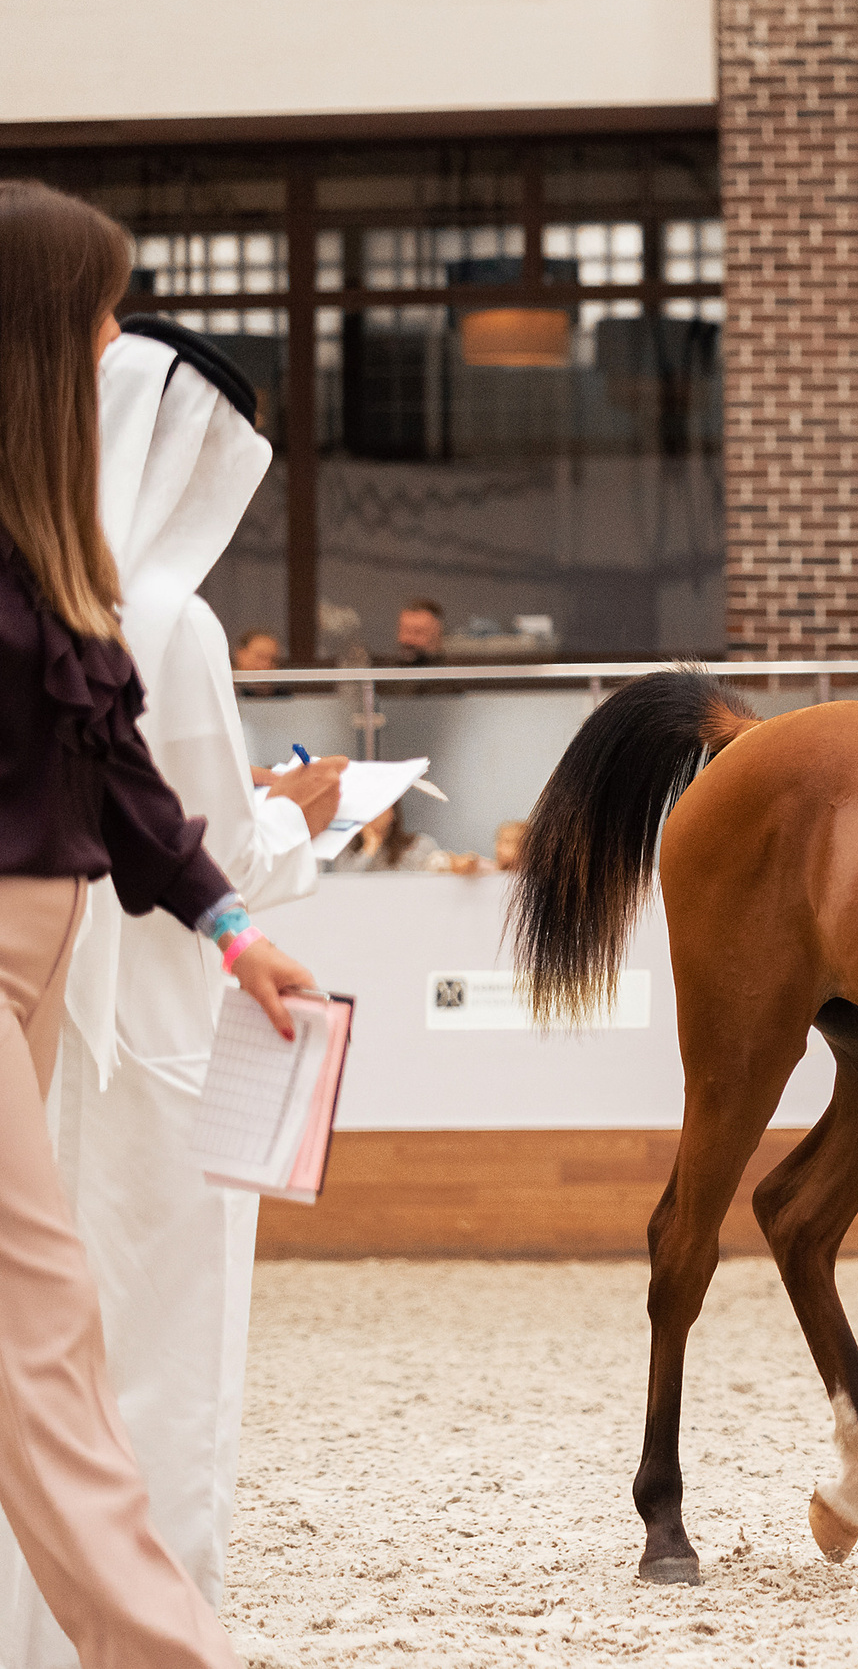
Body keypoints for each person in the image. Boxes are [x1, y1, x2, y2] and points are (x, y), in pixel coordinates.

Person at [0, 175, 319, 1669]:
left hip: (64, 986)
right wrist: (274, 862)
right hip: (79, 1016)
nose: (114, 341)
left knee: (50, 1338)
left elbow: (127, 791)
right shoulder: (143, 609)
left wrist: (240, 933)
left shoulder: (64, 582)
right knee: (82, 1342)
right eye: (98, 315)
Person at [330, 801, 447, 873]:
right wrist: (369, 848)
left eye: (379, 806)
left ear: (392, 813)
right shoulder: (346, 849)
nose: (372, 813)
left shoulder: (419, 845)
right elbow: (344, 887)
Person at [393, 594, 444, 665]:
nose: (408, 640)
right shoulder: (384, 673)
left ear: (437, 637)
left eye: (418, 632)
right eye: (405, 631)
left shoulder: (456, 672)